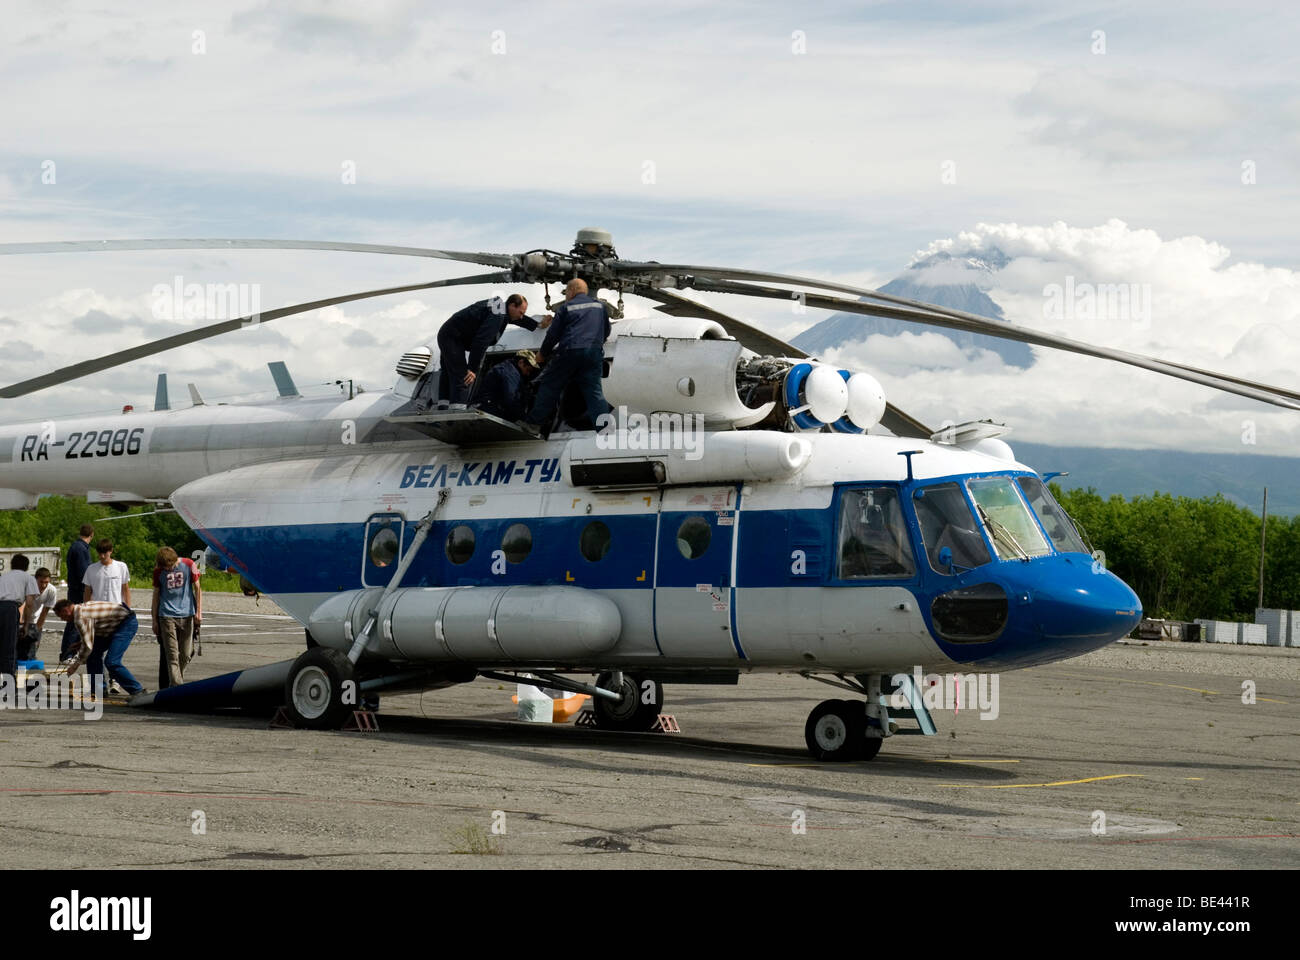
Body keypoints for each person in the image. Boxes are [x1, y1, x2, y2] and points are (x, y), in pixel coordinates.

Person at [524, 278, 611, 434]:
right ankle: (604, 430)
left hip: (569, 352)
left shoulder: (567, 307)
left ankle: (533, 424)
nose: (566, 295)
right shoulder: (600, 306)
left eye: (566, 292)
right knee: (595, 393)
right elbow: (606, 331)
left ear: (571, 291)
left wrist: (542, 354)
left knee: (550, 386)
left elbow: (553, 335)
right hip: (593, 353)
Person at [437, 295, 550, 405]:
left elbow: (518, 320)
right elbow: (481, 341)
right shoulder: (498, 315)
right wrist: (472, 368)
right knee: (464, 378)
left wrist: (538, 325)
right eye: (521, 312)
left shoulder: (499, 309)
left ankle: (441, 409)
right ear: (512, 305)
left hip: (449, 335)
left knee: (448, 374)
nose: (521, 316)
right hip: (453, 339)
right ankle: (457, 416)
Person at [54, 598, 144, 697]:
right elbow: (89, 637)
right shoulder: (80, 608)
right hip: (112, 625)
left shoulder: (80, 617)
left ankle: (137, 690)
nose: (62, 619)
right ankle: (98, 690)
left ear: (65, 611)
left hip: (125, 623)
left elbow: (88, 646)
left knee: (111, 662)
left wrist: (75, 665)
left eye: (61, 616)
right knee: (92, 655)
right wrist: (80, 643)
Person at [151, 547, 202, 689]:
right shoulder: (158, 571)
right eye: (165, 567)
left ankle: (176, 681)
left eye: (170, 566)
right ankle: (176, 686)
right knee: (172, 655)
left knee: (186, 653)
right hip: (166, 615)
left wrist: (199, 612)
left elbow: (198, 588)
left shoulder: (189, 564)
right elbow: (156, 595)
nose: (168, 569)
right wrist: (154, 619)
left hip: (187, 614)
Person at [0, 554, 38, 679]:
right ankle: (8, 682)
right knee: (9, 647)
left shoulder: (3, 577)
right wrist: (26, 625)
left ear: (11, 565)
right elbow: (29, 604)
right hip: (9, 609)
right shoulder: (28, 578)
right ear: (27, 567)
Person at [473, 350, 539, 422]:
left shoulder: (506, 367)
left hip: (482, 407)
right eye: (528, 370)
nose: (528, 374)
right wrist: (524, 419)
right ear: (521, 362)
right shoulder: (511, 372)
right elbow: (511, 399)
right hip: (488, 410)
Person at [61, 524, 94, 660]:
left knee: (74, 621)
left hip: (74, 589)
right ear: (91, 535)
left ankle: (70, 653)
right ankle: (68, 654)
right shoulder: (81, 549)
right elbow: (83, 572)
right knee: (75, 622)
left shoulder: (75, 547)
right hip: (79, 591)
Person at [17, 567, 57, 662]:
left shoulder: (52, 590)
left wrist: (36, 630)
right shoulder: (26, 587)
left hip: (36, 619)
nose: (43, 585)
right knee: (18, 647)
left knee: (33, 648)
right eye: (41, 582)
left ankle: (29, 670)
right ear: (35, 580)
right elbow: (22, 606)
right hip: (21, 617)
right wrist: (22, 625)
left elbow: (44, 612)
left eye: (46, 582)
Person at [84, 538, 131, 607]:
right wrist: (87, 609)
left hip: (116, 609)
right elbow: (87, 591)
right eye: (100, 553)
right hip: (98, 609)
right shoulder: (91, 569)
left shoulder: (121, 567)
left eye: (105, 553)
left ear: (111, 551)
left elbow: (125, 589)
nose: (102, 556)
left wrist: (128, 608)